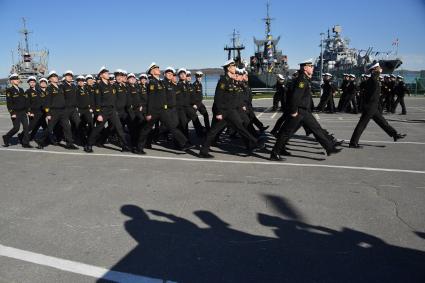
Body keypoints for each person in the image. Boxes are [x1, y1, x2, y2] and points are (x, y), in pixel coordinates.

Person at [269, 59, 342, 161]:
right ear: (305, 68)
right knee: (286, 132)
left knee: (316, 129)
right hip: (298, 111)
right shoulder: (301, 80)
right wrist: (294, 111)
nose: (312, 68)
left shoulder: (304, 79)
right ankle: (275, 153)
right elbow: (295, 96)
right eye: (311, 66)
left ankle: (329, 148)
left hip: (304, 111)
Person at [198, 59, 265, 158]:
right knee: (213, 132)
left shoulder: (231, 81)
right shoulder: (223, 81)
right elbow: (218, 97)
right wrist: (219, 112)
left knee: (240, 127)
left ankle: (254, 143)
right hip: (224, 112)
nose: (234, 68)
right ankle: (203, 151)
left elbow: (233, 98)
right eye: (233, 66)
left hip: (231, 111)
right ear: (228, 68)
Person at [134, 63, 191, 154]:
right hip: (154, 111)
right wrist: (148, 113)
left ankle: (184, 143)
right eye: (156, 69)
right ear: (152, 72)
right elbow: (151, 99)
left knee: (172, 126)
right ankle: (138, 147)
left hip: (162, 111)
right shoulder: (152, 82)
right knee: (146, 129)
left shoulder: (159, 82)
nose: (158, 69)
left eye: (158, 68)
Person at [349, 63, 406, 148]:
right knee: (362, 125)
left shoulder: (375, 79)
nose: (381, 69)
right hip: (370, 106)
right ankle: (353, 143)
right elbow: (366, 93)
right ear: (375, 70)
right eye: (379, 68)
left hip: (373, 106)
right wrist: (366, 104)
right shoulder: (372, 80)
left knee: (383, 122)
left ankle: (394, 134)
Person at [84, 66, 131, 153]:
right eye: (105, 73)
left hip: (112, 110)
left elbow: (113, 99)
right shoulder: (98, 86)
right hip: (103, 111)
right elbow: (96, 101)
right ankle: (88, 145)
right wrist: (98, 114)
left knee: (119, 127)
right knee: (97, 129)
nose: (108, 74)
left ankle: (125, 145)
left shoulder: (110, 85)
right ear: (101, 75)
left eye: (108, 73)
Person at [36, 71, 78, 149]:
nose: (56, 78)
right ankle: (41, 141)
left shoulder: (60, 87)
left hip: (62, 111)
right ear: (50, 79)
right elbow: (46, 102)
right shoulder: (49, 88)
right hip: (53, 112)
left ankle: (69, 144)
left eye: (56, 76)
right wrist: (48, 113)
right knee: (49, 129)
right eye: (54, 77)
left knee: (67, 127)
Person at [2, 73, 32, 148]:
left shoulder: (21, 90)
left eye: (18, 79)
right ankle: (6, 137)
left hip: (23, 112)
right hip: (15, 112)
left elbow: (24, 101)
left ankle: (26, 143)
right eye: (15, 79)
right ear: (11, 81)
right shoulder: (9, 90)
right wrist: (12, 112)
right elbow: (9, 103)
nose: (17, 80)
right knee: (16, 128)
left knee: (26, 127)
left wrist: (28, 111)